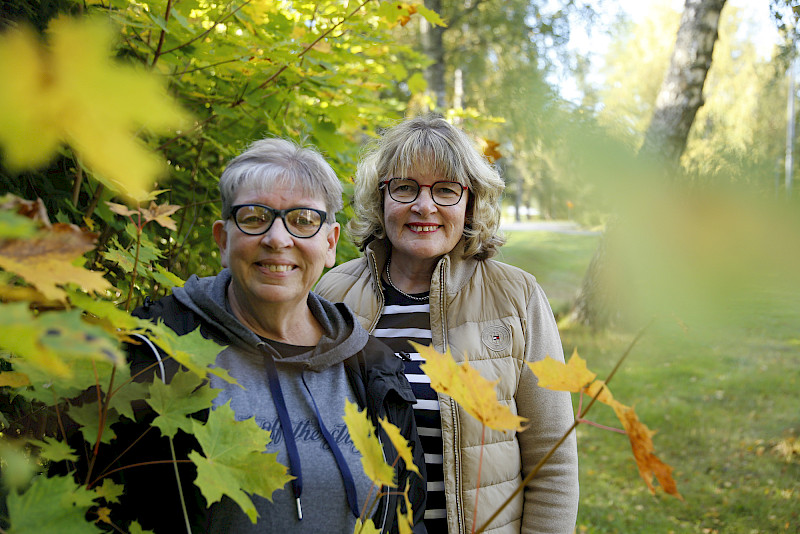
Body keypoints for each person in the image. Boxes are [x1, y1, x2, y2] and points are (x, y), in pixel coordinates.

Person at [119, 138, 426, 533]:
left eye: (302, 220)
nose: (278, 239)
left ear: (330, 243)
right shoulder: (160, 352)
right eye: (254, 217)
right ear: (223, 239)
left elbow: (406, 515)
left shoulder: (370, 368)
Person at [315, 115, 579, 533]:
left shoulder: (517, 297)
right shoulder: (334, 294)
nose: (424, 206)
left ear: (470, 202)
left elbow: (553, 461)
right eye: (404, 187)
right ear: (380, 198)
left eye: (445, 189)